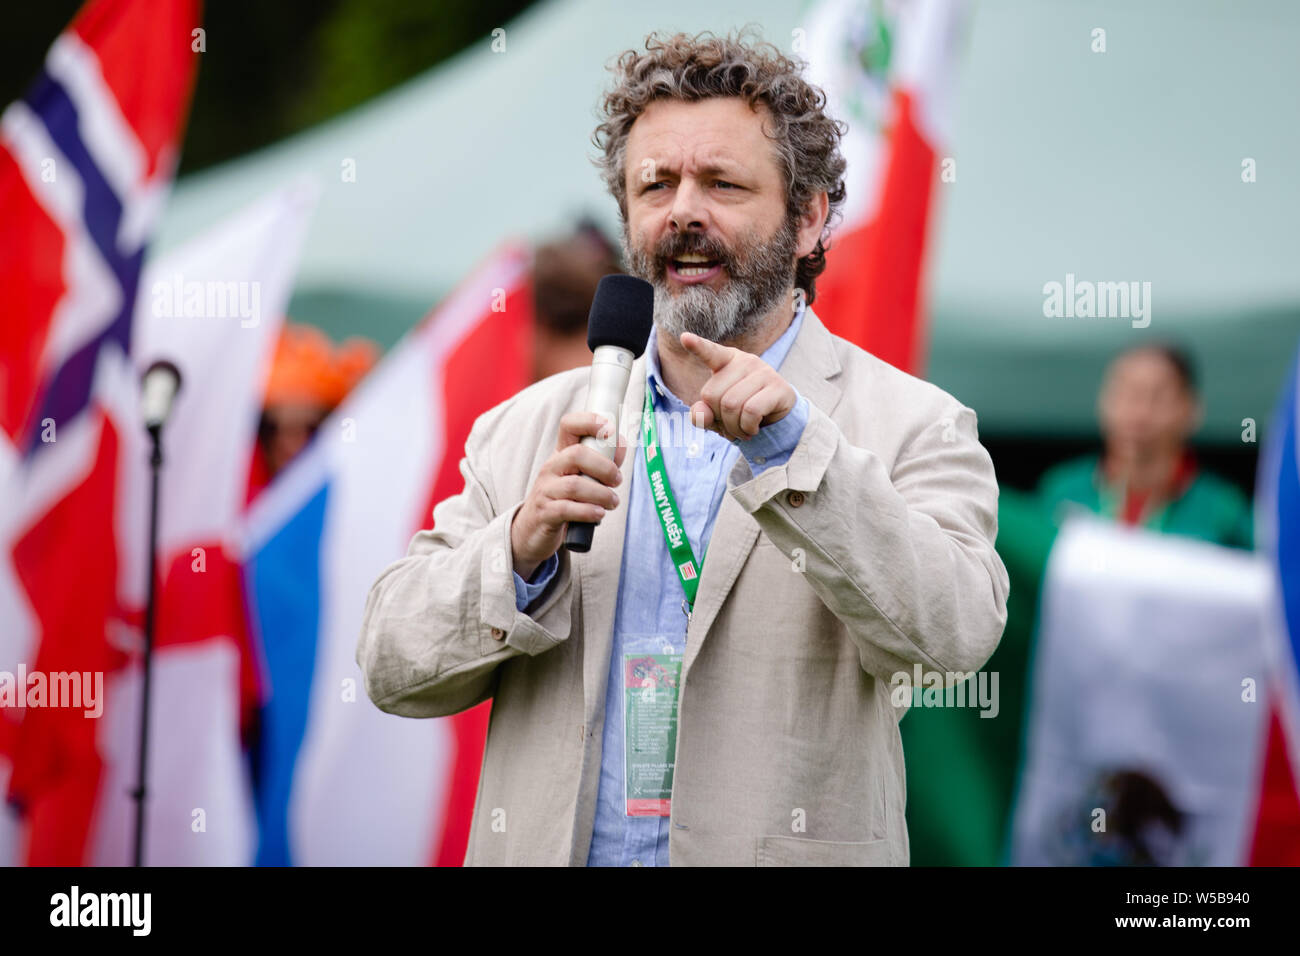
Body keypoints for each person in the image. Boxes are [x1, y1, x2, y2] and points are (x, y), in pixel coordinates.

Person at [357, 29, 1009, 866]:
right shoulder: (524, 427)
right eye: (654, 185)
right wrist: (518, 550)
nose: (682, 211)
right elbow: (390, 667)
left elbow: (953, 640)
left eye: (723, 183)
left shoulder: (914, 421)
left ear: (809, 219)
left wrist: (797, 449)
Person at [1037, 343, 1252, 549]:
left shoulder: (1224, 511)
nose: (1138, 413)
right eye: (1125, 394)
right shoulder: (1061, 492)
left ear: (1192, 409)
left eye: (1157, 397)